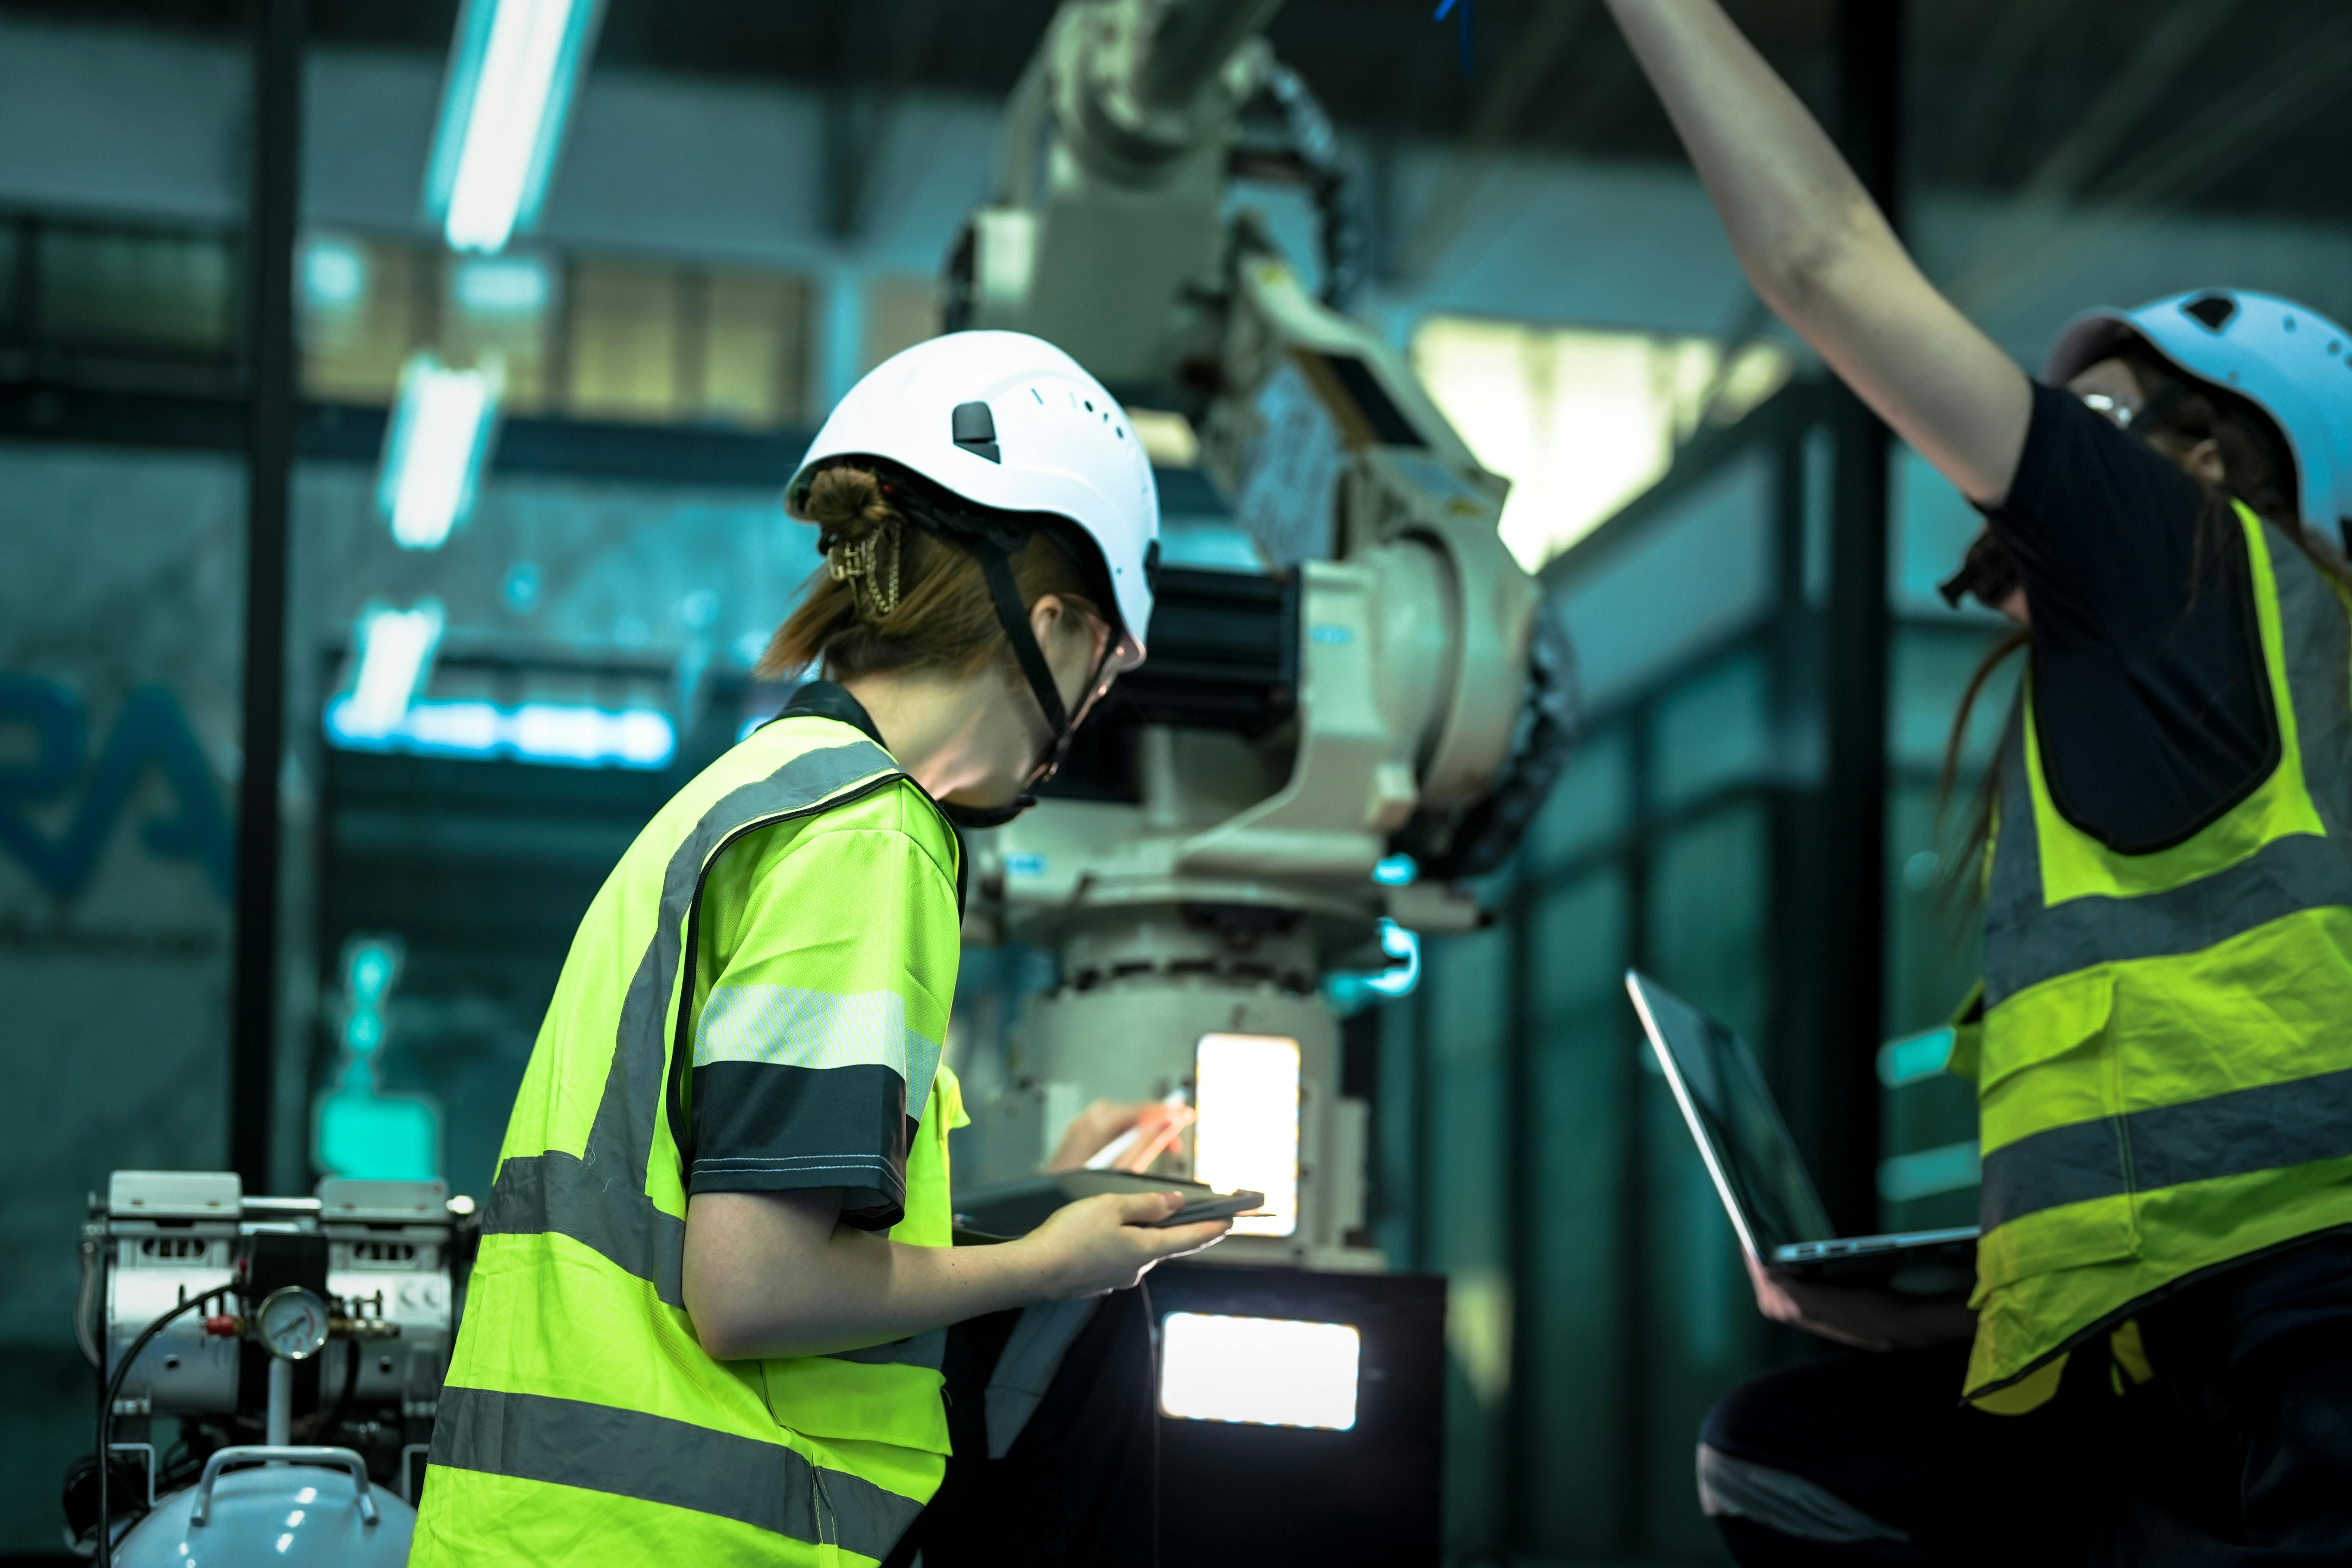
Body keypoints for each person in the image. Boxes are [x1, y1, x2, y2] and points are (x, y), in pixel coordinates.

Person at [1598, 3, 2352, 1562]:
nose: (2066, 446)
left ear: (2213, 458)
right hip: (2207, 1349)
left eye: (2112, 418)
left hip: (2305, 1353)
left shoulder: (2185, 558)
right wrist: (1971, 1289)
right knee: (1797, 1453)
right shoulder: (2250, 664)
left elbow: (1822, 264)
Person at [409, 330, 1229, 1568]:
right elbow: (753, 1290)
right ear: (1055, 628)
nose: (1093, 710)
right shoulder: (872, 840)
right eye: (1108, 669)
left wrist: (1019, 1197)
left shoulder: (766, 793)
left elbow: (726, 1192)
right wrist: (1051, 1262)